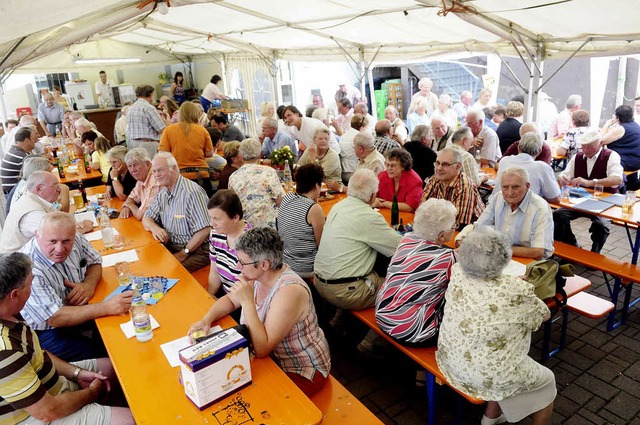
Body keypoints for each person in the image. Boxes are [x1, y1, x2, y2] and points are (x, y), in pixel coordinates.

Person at [188, 227, 331, 397]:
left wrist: (247, 302)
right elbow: (230, 300)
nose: (237, 266)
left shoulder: (289, 292)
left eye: (242, 262)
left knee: (239, 395)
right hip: (272, 361)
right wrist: (206, 319)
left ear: (264, 264)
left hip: (301, 369)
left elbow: (263, 348)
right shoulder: (256, 276)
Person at [437, 226, 555, 425]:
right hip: (487, 375)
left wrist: (512, 287)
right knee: (547, 381)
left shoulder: (457, 272)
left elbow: (487, 290)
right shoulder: (516, 290)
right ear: (504, 258)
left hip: (449, 360)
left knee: (498, 349)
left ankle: (490, 418)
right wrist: (517, 288)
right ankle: (496, 416)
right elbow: (544, 315)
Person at [0, 252, 135, 425]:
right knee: (134, 420)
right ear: (15, 295)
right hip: (36, 415)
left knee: (119, 366)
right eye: (30, 283)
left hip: (52, 387)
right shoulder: (5, 350)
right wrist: (92, 393)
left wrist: (76, 373)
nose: (33, 288)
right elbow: (48, 412)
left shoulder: (10, 313)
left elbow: (38, 354)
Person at [19, 212, 132, 361]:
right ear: (37, 236)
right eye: (52, 241)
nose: (59, 249)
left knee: (120, 335)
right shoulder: (28, 268)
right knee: (105, 355)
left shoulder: (75, 236)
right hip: (49, 330)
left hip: (80, 310)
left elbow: (95, 262)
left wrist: (89, 284)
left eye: (66, 241)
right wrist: (106, 307)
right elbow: (55, 318)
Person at [314, 169, 402, 311]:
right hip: (344, 292)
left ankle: (342, 324)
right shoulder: (369, 217)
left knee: (367, 272)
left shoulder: (338, 206)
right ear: (373, 196)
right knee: (401, 286)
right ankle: (372, 330)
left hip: (320, 282)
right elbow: (400, 248)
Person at [375, 199, 457, 346]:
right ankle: (421, 368)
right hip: (412, 332)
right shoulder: (448, 258)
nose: (455, 228)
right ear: (442, 236)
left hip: (383, 315)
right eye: (454, 226)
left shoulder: (406, 240)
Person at [460, 166, 554, 259]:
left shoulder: (540, 208)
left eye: (515, 187)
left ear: (527, 186)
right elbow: (480, 227)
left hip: (530, 262)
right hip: (500, 256)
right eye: (505, 187)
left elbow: (538, 252)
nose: (509, 193)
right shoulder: (498, 198)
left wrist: (498, 250)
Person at [554, 130, 623, 253]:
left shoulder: (611, 155)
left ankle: (595, 252)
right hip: (580, 199)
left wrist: (590, 182)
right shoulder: (578, 156)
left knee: (602, 225)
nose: (585, 150)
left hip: (605, 201)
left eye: (590, 146)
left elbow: (617, 179)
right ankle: (572, 244)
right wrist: (562, 178)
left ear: (600, 143)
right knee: (557, 215)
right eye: (583, 146)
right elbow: (565, 174)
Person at [143, 152, 211, 272]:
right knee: (146, 262)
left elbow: (204, 230)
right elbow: (146, 218)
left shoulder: (192, 193)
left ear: (174, 168)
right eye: (154, 171)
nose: (156, 175)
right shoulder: (163, 192)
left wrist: (183, 253)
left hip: (196, 250)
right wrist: (155, 228)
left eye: (160, 171)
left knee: (165, 272)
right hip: (173, 246)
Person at [277, 164, 325, 279]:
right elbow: (322, 245)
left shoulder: (287, 198)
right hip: (306, 267)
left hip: (286, 262)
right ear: (316, 185)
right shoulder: (313, 209)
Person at [160, 101, 214, 195]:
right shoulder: (202, 130)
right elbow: (210, 153)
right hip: (201, 174)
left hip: (179, 176)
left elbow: (162, 154)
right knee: (204, 207)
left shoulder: (169, 130)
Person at [228, 138, 285, 228]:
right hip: (269, 227)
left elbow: (233, 205)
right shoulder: (269, 172)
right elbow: (281, 201)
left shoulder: (233, 177)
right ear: (259, 153)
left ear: (241, 154)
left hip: (245, 228)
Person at [421, 147, 485, 227]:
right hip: (441, 226)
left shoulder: (465, 186)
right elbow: (422, 208)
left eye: (445, 164)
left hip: (470, 232)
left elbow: (459, 225)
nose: (439, 168)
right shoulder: (435, 178)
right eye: (437, 163)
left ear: (458, 166)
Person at [206, 190, 252, 297]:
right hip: (225, 294)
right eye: (211, 217)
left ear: (235, 217)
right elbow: (214, 271)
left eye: (217, 219)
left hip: (240, 301)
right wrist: (208, 297)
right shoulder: (216, 233)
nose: (212, 223)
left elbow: (246, 290)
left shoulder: (250, 244)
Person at [1, 171, 60, 253]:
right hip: (17, 263)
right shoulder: (32, 213)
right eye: (54, 186)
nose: (59, 189)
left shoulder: (30, 198)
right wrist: (83, 226)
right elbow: (60, 236)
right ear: (39, 189)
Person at [494, 132, 560, 203]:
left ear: (518, 148)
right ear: (539, 151)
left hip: (494, 208)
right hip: (523, 211)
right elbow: (556, 198)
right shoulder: (542, 167)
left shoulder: (504, 160)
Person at [6, 156, 71, 215]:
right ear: (39, 174)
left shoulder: (24, 184)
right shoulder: (30, 190)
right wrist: (64, 191)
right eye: (49, 172)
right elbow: (59, 215)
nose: (52, 175)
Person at [127, 85, 166, 159]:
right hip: (147, 145)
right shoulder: (148, 108)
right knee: (150, 168)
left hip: (132, 144)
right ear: (149, 94)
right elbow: (161, 129)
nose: (152, 99)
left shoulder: (130, 108)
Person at [601, 104, 640, 172]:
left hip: (625, 162)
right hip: (635, 161)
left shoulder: (621, 129)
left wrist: (607, 125)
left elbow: (601, 141)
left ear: (618, 117)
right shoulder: (635, 125)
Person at [1, 127, 36, 194]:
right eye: (34, 140)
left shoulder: (13, 150)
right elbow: (35, 175)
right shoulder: (21, 156)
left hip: (12, 191)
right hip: (15, 193)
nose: (35, 142)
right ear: (27, 141)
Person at [337, 114, 368, 183]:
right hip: (354, 171)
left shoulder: (343, 136)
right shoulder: (359, 137)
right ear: (362, 127)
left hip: (343, 170)